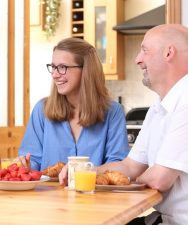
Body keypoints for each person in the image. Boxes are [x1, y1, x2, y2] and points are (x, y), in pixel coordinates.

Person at [60, 24, 188, 225]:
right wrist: (85, 171)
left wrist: (129, 180)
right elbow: (130, 166)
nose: (137, 59)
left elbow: (159, 179)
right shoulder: (159, 106)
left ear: (168, 53)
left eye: (144, 50)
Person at [18, 37, 129, 171]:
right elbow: (33, 159)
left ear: (86, 70)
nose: (55, 74)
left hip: (94, 191)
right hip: (48, 192)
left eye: (62, 67)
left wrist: (85, 171)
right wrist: (26, 165)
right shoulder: (41, 110)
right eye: (53, 67)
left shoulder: (113, 112)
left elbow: (117, 163)